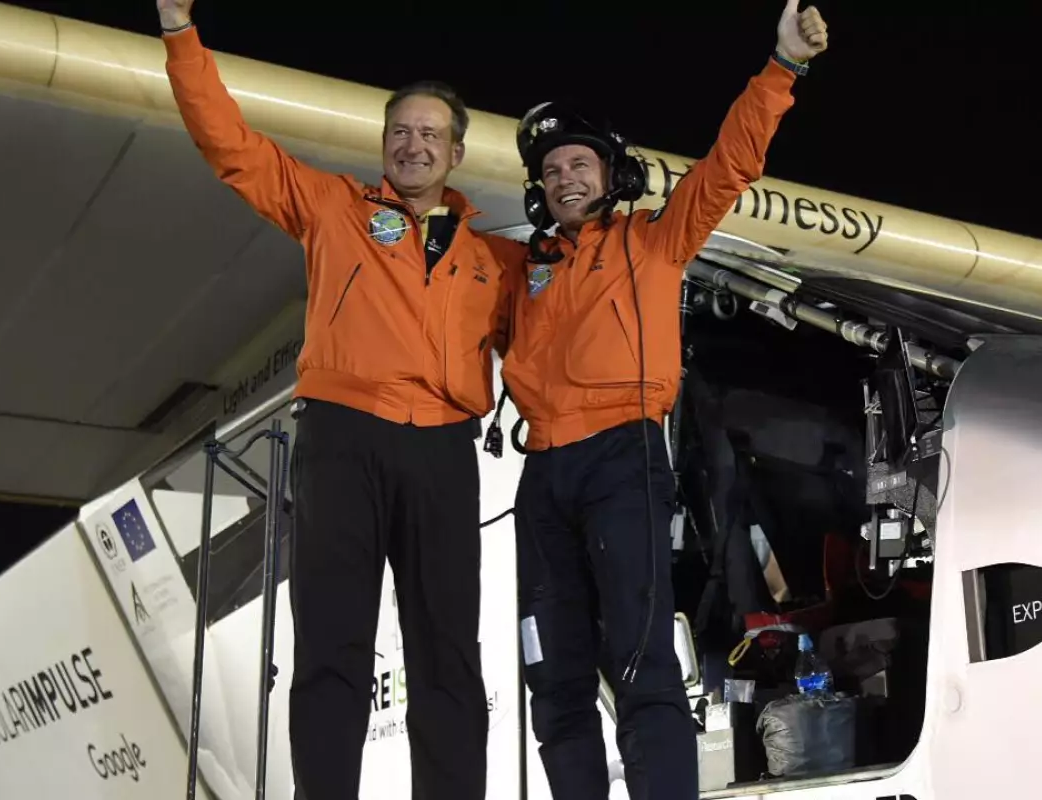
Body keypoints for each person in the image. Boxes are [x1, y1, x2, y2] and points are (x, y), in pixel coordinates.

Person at [156, 2, 512, 798]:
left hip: (443, 451)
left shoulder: (495, 260)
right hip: (342, 442)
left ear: (456, 152)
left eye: (430, 134)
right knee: (329, 647)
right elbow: (229, 144)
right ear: (383, 145)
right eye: (400, 132)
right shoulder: (333, 210)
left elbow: (568, 324)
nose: (413, 144)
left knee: (449, 653)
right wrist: (180, 31)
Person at [493, 2, 829, 798]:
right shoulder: (515, 268)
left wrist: (783, 67)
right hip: (543, 477)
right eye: (551, 171)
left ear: (612, 173)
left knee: (641, 663)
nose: (565, 179)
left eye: (579, 164)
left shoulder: (654, 239)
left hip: (622, 459)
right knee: (554, 676)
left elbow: (729, 166)